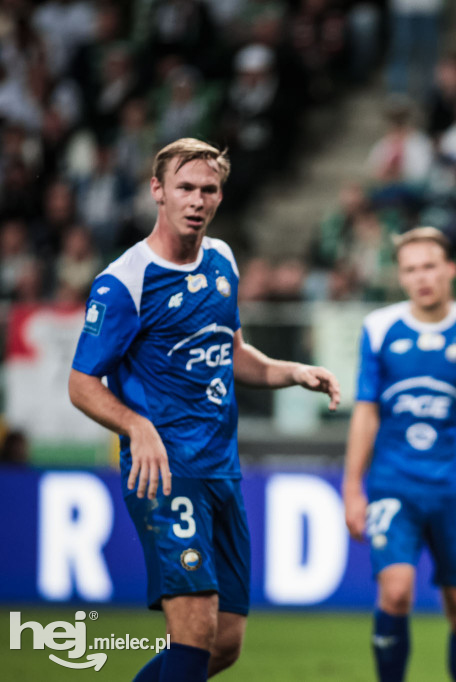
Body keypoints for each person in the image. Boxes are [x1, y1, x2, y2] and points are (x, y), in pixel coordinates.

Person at [68, 138, 341, 682]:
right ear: (158, 192)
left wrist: (291, 371)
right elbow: (81, 383)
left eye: (208, 189)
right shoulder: (125, 281)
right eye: (185, 188)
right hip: (167, 471)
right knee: (192, 634)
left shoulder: (222, 260)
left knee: (224, 644)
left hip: (222, 470)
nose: (197, 199)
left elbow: (232, 350)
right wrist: (135, 425)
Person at [343, 226, 456, 682]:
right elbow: (365, 414)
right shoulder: (380, 328)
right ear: (400, 277)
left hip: (455, 488)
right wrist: (351, 486)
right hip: (394, 484)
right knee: (396, 591)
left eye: (429, 266)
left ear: (449, 269)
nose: (421, 277)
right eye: (410, 269)